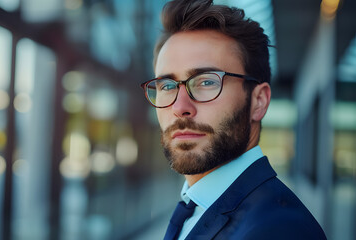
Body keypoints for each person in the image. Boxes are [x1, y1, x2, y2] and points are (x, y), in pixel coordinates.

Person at [140, 0, 327, 239]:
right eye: (167, 85)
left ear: (258, 101)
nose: (179, 107)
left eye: (207, 81)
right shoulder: (197, 206)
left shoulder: (279, 229)